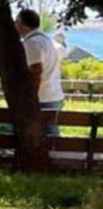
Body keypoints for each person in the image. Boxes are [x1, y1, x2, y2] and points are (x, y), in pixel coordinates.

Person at [16, 8, 64, 138]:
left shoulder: (32, 42)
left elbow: (36, 70)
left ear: (22, 25)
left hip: (42, 97)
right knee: (52, 137)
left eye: (16, 22)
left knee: (47, 137)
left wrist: (31, 97)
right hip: (53, 94)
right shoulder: (45, 40)